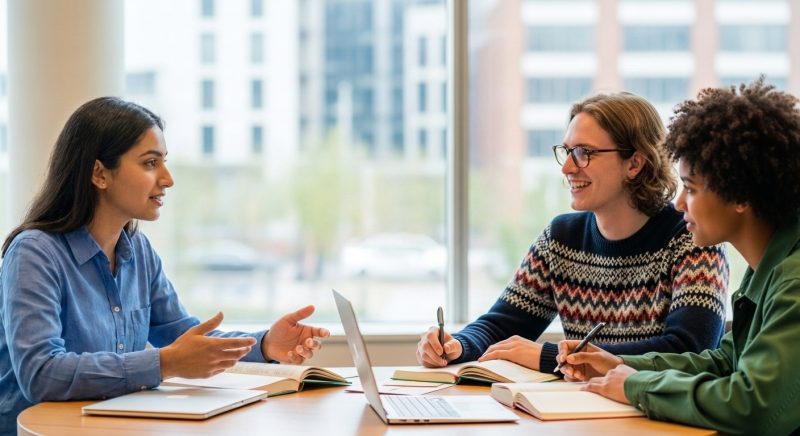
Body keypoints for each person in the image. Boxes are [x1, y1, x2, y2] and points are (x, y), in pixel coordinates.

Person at [0, 97, 329, 434]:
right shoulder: (34, 253)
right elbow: (40, 374)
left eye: (164, 162)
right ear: (100, 173)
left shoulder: (138, 252)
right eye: (150, 163)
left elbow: (184, 336)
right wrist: (166, 362)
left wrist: (264, 344)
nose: (168, 178)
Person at [416, 92, 729, 373]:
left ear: (634, 164)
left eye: (583, 153)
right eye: (566, 152)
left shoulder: (692, 236)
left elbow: (688, 349)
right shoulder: (560, 238)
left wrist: (554, 356)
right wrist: (456, 345)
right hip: (586, 413)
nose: (567, 167)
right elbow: (502, 324)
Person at [556, 79, 800, 434]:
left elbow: (753, 405)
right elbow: (725, 362)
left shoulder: (793, 281)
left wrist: (634, 386)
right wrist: (621, 364)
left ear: (741, 197)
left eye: (692, 188)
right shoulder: (768, 268)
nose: (679, 203)